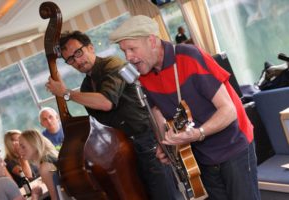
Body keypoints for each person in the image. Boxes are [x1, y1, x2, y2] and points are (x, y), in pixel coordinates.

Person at [109, 15, 261, 200]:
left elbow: (229, 110)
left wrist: (198, 133)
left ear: (152, 40)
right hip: (201, 155)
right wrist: (165, 144)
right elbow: (156, 113)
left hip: (233, 144)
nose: (128, 58)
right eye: (124, 51)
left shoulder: (189, 57)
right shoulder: (144, 74)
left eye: (132, 49)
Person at [45, 30, 181, 200]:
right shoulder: (86, 86)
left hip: (146, 141)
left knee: (166, 195)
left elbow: (106, 102)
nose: (77, 61)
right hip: (123, 153)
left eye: (78, 53)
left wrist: (66, 93)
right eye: (71, 59)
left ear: (91, 48)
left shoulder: (113, 64)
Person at [19, 129, 58, 200]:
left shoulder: (45, 167)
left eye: (23, 147)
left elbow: (56, 198)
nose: (20, 151)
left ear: (34, 144)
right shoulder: (48, 157)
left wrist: (35, 196)